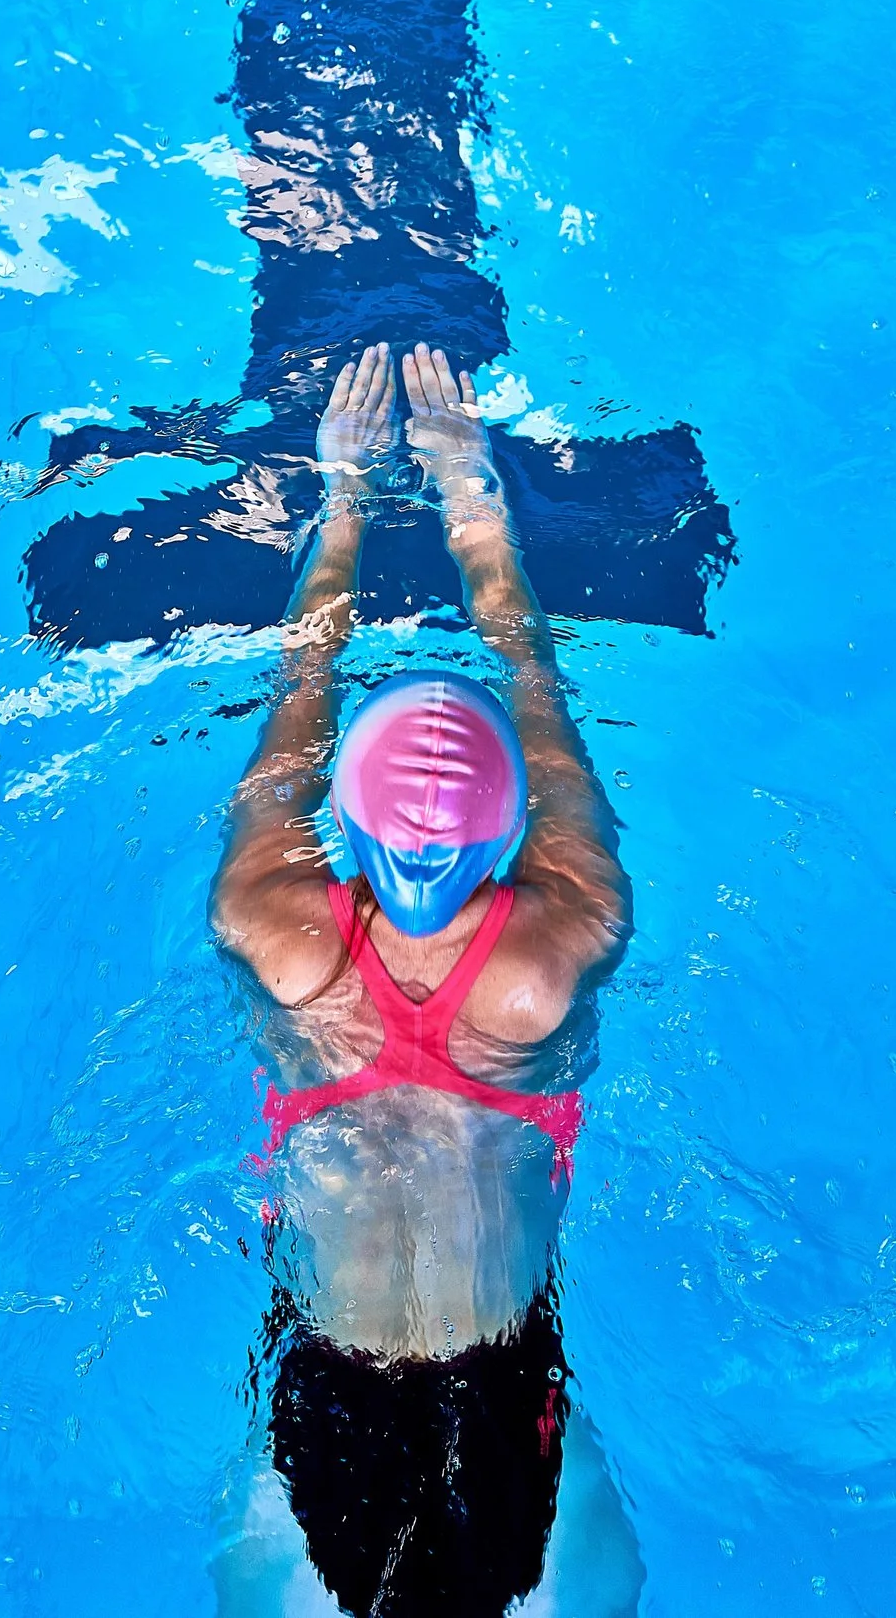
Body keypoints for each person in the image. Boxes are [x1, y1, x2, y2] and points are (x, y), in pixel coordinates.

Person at [209, 343, 646, 1617]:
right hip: (508, 1376)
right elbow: (538, 684)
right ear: (508, 829)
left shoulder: (271, 926)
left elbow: (300, 686)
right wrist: (474, 498)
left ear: (351, 816)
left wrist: (340, 499)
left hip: (326, 1376)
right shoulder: (560, 946)